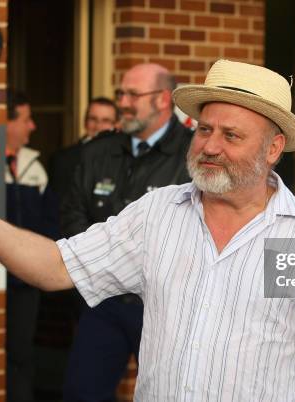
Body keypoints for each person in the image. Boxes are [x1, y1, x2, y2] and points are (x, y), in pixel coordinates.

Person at [0, 60, 295, 402]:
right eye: (205, 129)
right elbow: (58, 266)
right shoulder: (160, 212)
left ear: (272, 149)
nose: (210, 145)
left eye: (231, 136)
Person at [60, 64, 192, 402]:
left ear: (163, 99)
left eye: (133, 94)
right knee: (82, 392)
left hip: (164, 305)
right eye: (121, 93)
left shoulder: (193, 154)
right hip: (104, 300)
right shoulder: (97, 152)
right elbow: (73, 213)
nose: (124, 102)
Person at [4, 91, 58, 402]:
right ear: (6, 122)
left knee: (22, 353)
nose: (33, 126)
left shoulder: (35, 167)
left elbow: (50, 222)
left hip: (25, 281)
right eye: (25, 119)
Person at [49, 97, 119, 203]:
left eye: (106, 121)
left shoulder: (124, 159)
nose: (98, 126)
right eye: (93, 119)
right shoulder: (63, 159)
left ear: (116, 126)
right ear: (85, 122)